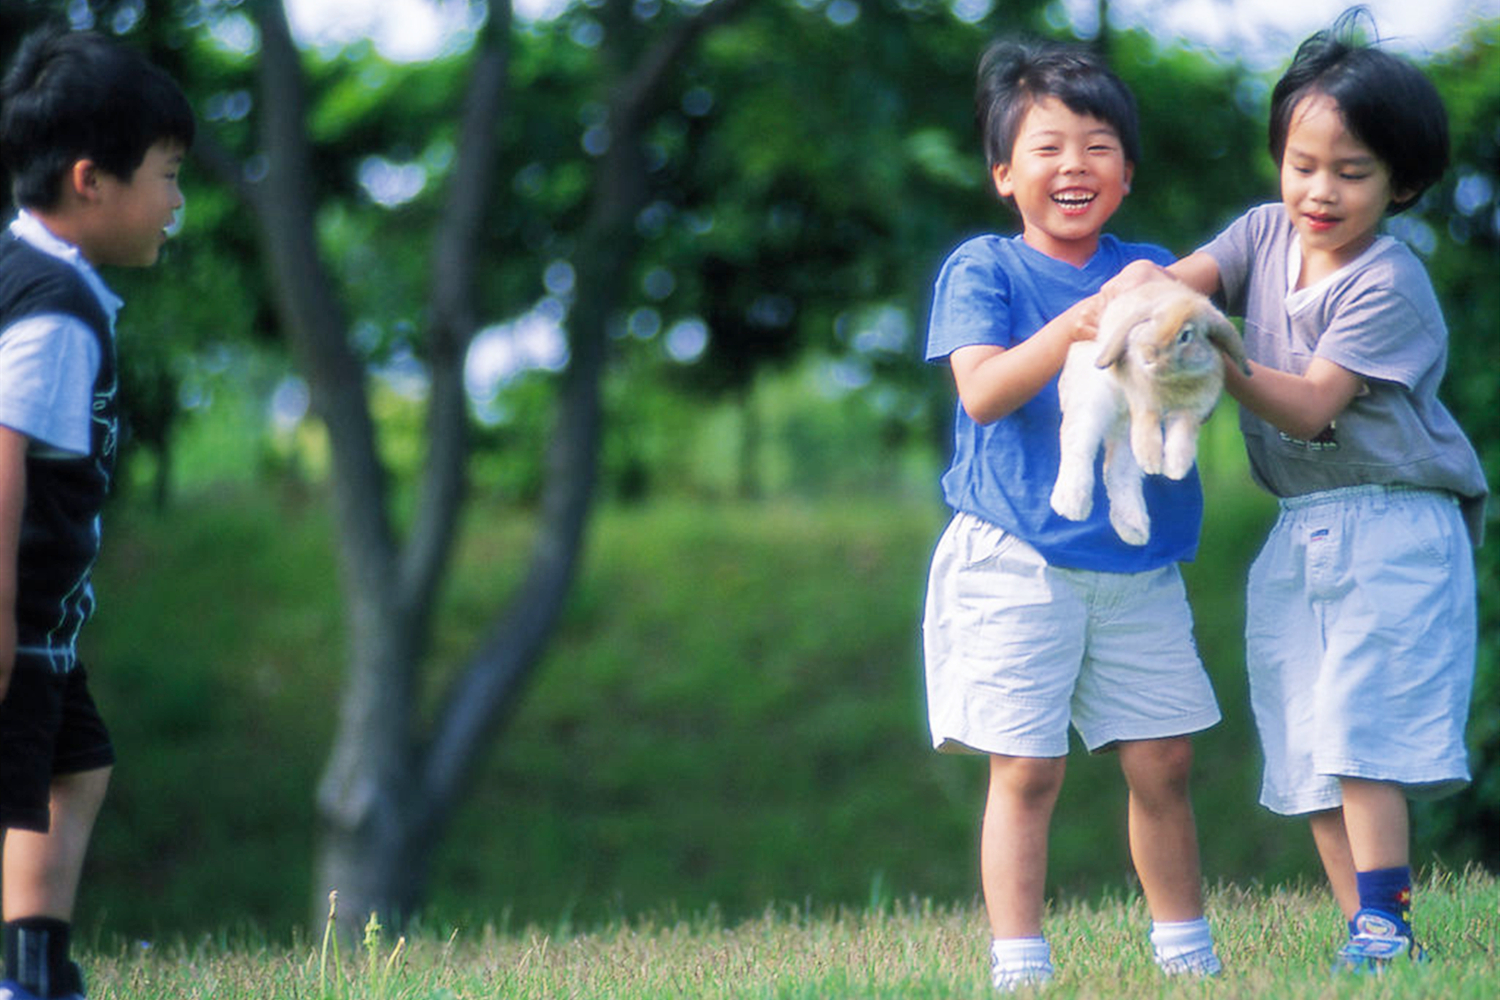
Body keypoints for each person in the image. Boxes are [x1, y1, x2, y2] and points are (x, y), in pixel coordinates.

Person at [1109, 9, 1487, 972]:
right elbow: (1179, 284)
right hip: (1301, 525)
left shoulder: (1387, 282)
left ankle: (1387, 920)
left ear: (1402, 184)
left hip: (1395, 523)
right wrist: (1140, 298)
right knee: (1312, 745)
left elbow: (1312, 406)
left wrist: (1215, 352)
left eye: (1351, 172)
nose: (1319, 191)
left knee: (1362, 731)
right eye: (1303, 163)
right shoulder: (1262, 233)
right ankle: (1365, 932)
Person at [920, 37, 1223, 992]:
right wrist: (1077, 324)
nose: (1073, 167)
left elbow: (1197, 350)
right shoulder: (986, 271)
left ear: (1127, 173)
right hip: (1017, 556)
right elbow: (983, 394)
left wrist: (1160, 306)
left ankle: (1187, 954)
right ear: (1004, 173)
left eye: (1097, 146)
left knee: (1164, 760)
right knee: (1027, 769)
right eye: (1046, 148)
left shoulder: (1152, 268)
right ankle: (1020, 965)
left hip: (1138, 558)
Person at [0, 25, 192, 1000]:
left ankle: (35, 963)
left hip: (43, 628)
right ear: (92, 181)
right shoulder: (53, 316)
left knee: (75, 766)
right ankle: (25, 979)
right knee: (33, 791)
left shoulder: (48, 283)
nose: (177, 205)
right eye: (165, 175)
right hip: (21, 618)